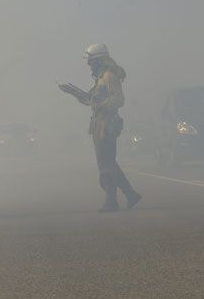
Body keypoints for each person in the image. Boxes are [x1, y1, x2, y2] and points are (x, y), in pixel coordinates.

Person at [59, 44, 142, 212]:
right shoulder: (101, 77)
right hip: (100, 123)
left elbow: (118, 100)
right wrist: (73, 92)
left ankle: (111, 201)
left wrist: (101, 104)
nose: (88, 65)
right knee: (109, 163)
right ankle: (130, 194)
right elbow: (90, 100)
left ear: (98, 60)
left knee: (105, 165)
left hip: (107, 124)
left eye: (90, 61)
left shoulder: (110, 76)